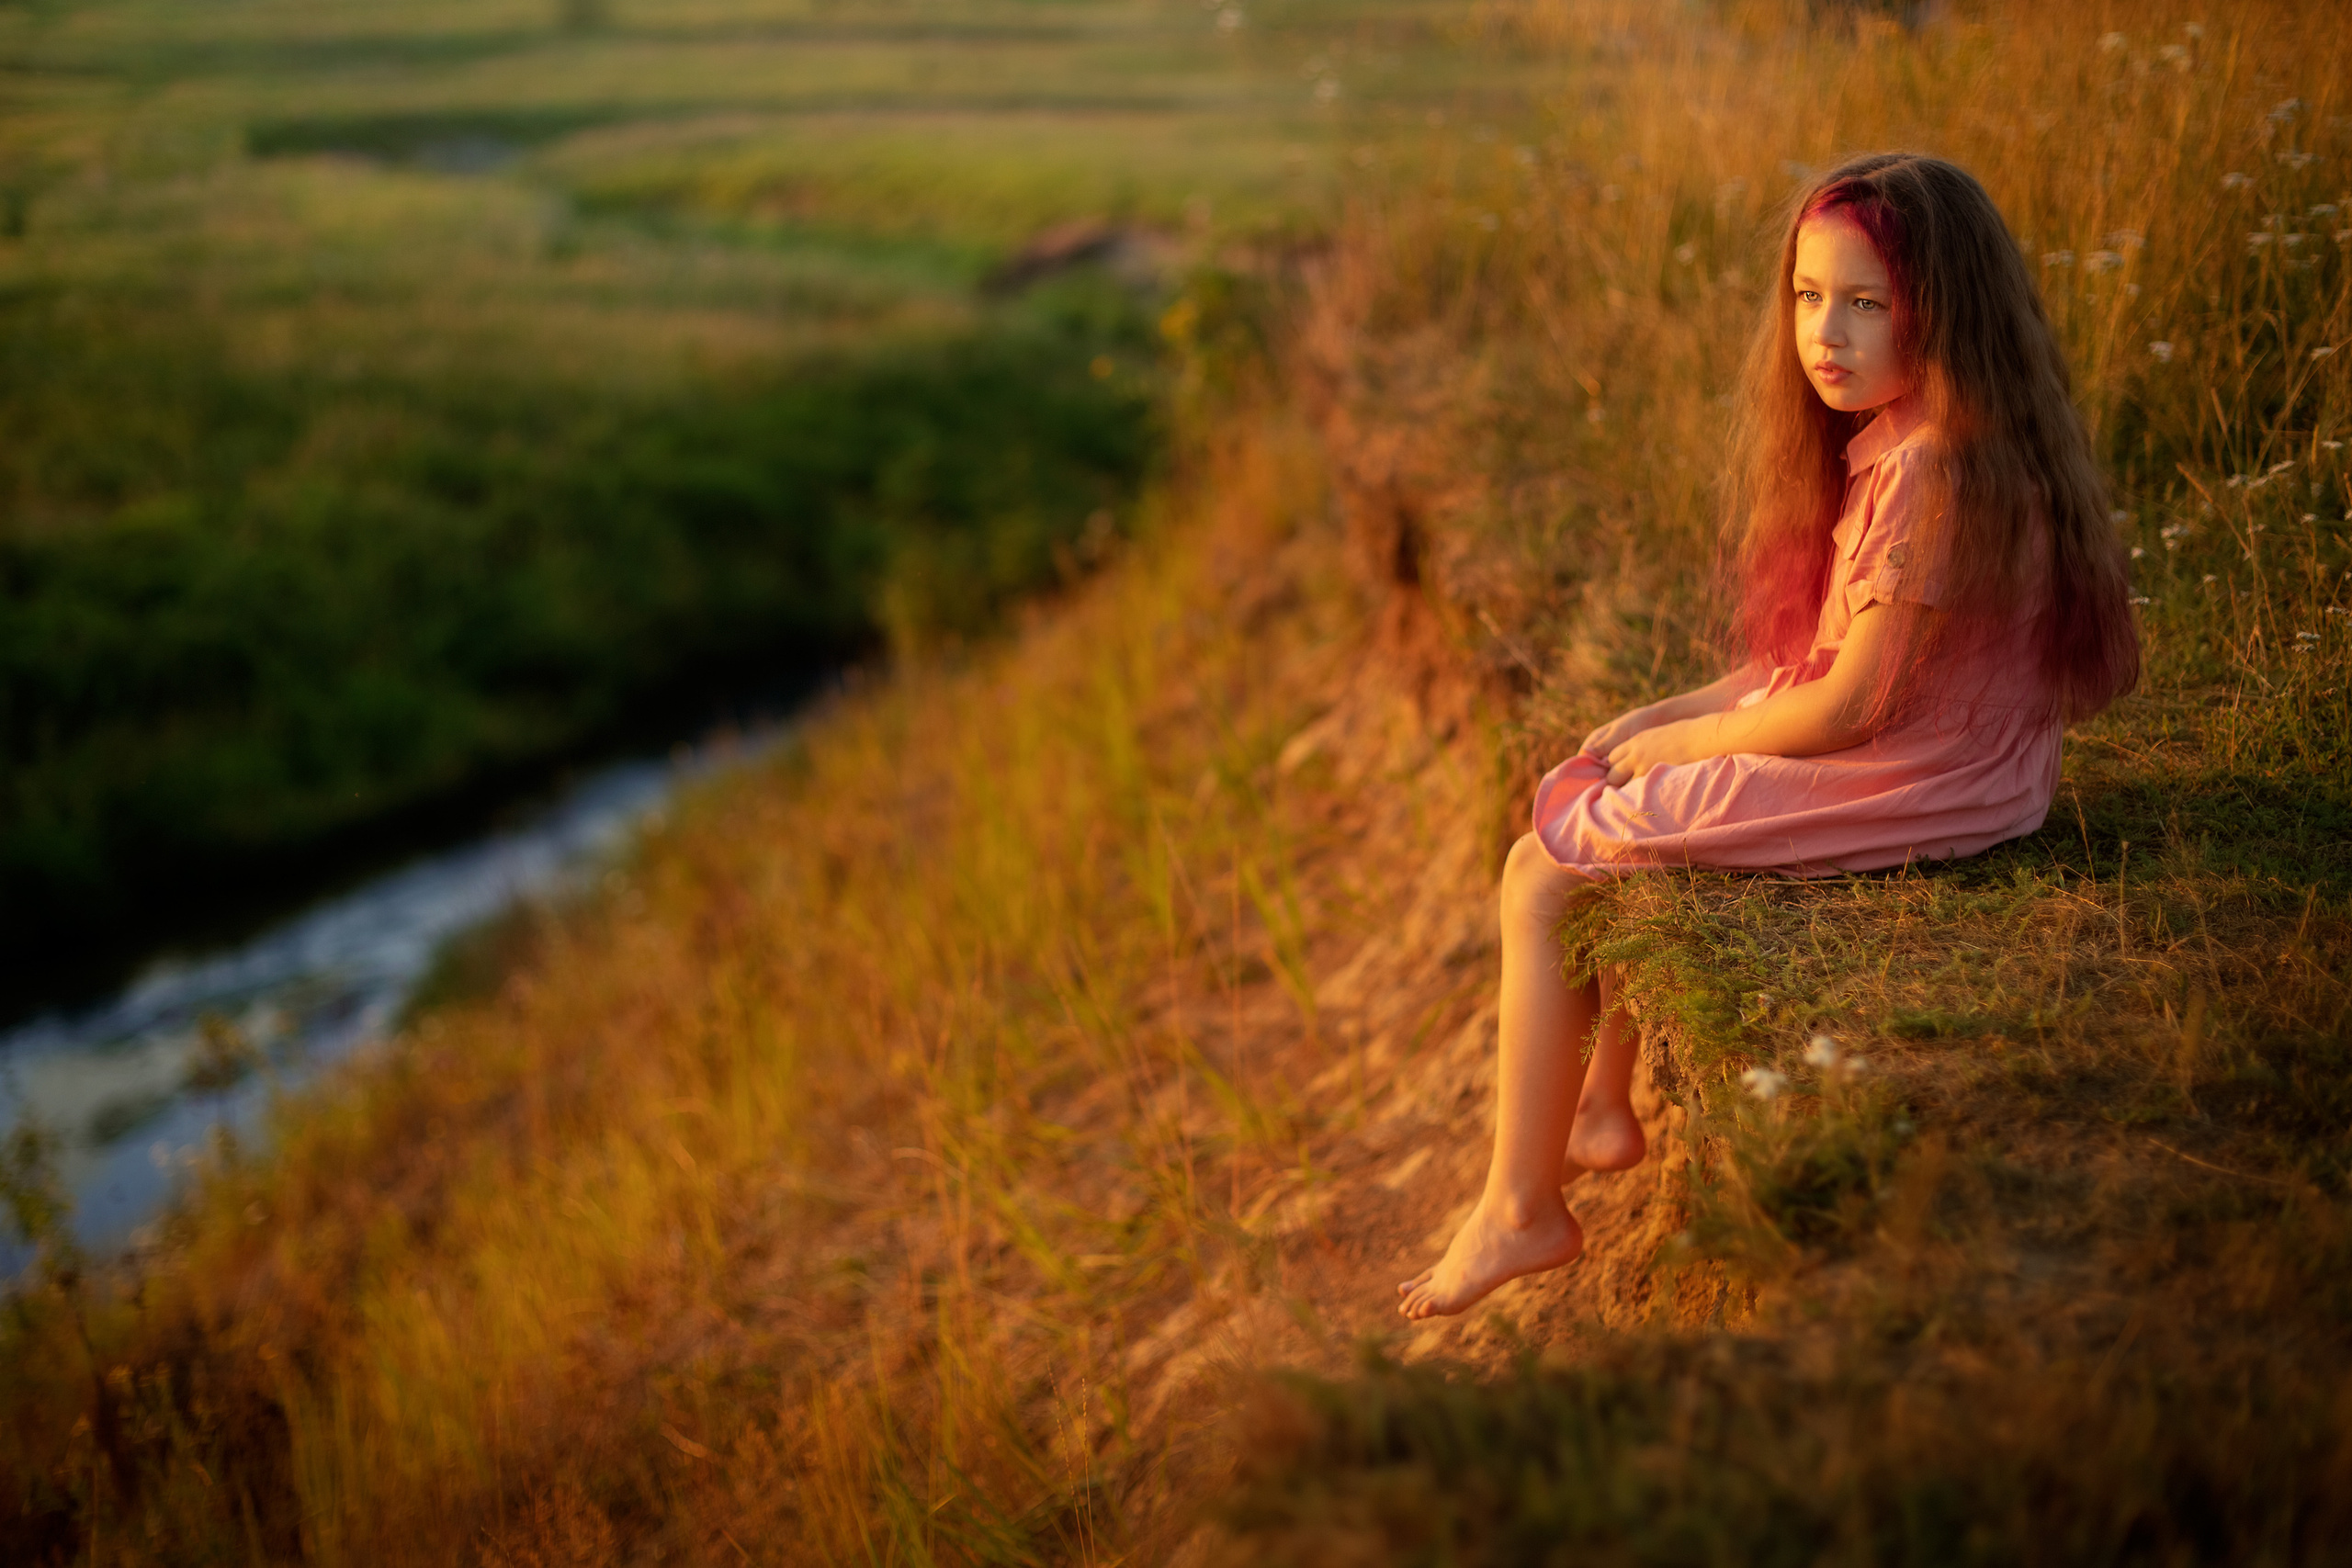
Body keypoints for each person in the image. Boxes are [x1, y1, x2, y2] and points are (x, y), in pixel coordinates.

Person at [1398, 152, 2140, 1320]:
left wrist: (1686, 756)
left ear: (1940, 310)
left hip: (1925, 771)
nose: (1825, 334)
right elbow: (1812, 665)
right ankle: (1597, 1103)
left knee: (1543, 872)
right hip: (1914, 738)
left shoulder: (1937, 472)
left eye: (1864, 302)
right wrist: (1668, 716)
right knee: (1593, 779)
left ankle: (1520, 1210)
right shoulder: (1904, 436)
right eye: (1806, 297)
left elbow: (1853, 709)